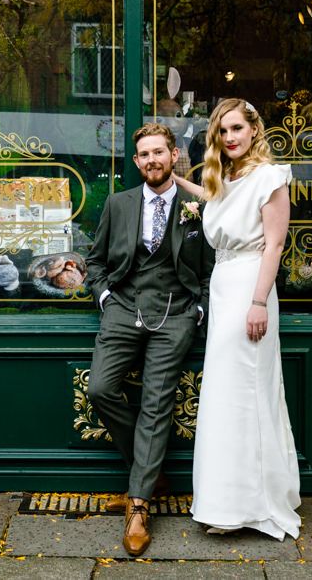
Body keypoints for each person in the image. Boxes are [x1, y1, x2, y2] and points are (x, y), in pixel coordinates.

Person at [172, 97, 301, 541]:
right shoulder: (227, 176)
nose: (229, 138)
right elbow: (213, 199)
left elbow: (274, 246)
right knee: (225, 392)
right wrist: (171, 179)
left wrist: (260, 302)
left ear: (254, 129)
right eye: (221, 132)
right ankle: (223, 501)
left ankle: (250, 504)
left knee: (247, 391)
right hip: (226, 284)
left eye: (236, 129)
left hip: (251, 286)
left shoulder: (271, 177)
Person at [86, 122, 215, 556]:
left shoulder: (194, 205)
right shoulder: (119, 204)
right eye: (144, 154)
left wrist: (200, 308)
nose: (151, 160)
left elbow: (214, 263)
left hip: (176, 313)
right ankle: (148, 469)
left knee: (157, 402)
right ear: (137, 160)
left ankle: (138, 506)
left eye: (159, 152)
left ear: (174, 155)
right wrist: (104, 296)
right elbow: (95, 259)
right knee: (100, 388)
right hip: (124, 309)